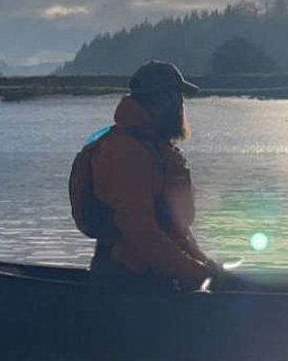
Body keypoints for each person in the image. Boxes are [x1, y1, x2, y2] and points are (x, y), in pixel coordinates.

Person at [69, 60, 218, 287]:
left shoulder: (158, 149)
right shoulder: (126, 152)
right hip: (126, 280)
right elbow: (139, 230)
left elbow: (174, 228)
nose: (181, 105)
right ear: (158, 100)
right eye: (176, 97)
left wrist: (203, 263)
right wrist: (192, 271)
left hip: (154, 274)